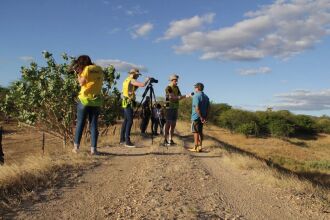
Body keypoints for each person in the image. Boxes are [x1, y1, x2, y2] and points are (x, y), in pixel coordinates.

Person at [72, 55, 104, 155]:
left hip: (84, 100)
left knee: (80, 123)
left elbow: (81, 83)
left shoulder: (86, 69)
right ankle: (93, 149)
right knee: (94, 125)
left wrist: (77, 74)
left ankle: (76, 148)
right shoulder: (99, 69)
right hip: (96, 100)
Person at [120, 68, 149, 147]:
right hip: (128, 102)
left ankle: (122, 139)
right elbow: (143, 85)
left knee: (126, 121)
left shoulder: (126, 80)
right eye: (137, 75)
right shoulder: (132, 80)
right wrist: (147, 80)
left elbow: (132, 89)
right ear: (133, 74)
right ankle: (127, 141)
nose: (138, 77)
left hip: (125, 102)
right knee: (130, 121)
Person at [164, 74, 190, 146]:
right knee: (168, 124)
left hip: (175, 107)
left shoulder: (177, 88)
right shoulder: (168, 87)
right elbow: (173, 97)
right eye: (175, 80)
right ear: (172, 80)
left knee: (173, 124)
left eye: (177, 80)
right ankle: (165, 139)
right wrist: (184, 96)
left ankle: (170, 139)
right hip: (169, 107)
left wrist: (182, 96)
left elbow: (179, 97)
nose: (177, 82)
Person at [189, 82, 210, 152]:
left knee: (195, 132)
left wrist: (200, 117)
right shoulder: (206, 97)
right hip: (203, 116)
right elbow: (208, 108)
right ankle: (200, 146)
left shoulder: (196, 96)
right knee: (200, 132)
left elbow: (197, 108)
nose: (194, 89)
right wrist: (205, 117)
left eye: (195, 87)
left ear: (197, 88)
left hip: (196, 116)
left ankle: (195, 147)